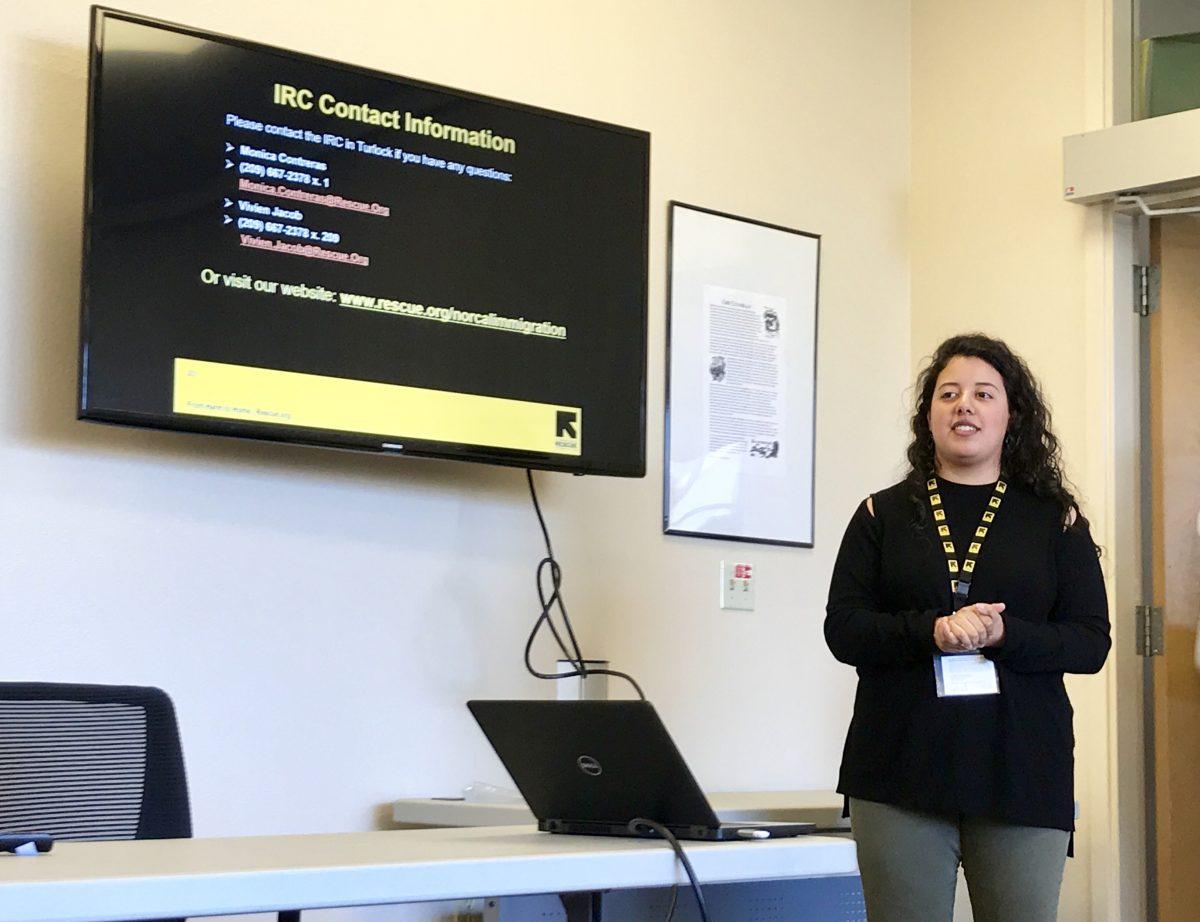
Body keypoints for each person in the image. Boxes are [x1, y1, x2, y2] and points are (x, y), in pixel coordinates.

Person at [824, 333, 1110, 922]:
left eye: (984, 394)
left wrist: (1006, 636)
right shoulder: (882, 513)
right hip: (898, 768)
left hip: (1022, 768)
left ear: (1012, 416)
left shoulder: (1056, 520)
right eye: (948, 394)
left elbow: (1090, 642)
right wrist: (932, 631)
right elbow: (844, 629)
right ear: (927, 415)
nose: (964, 406)